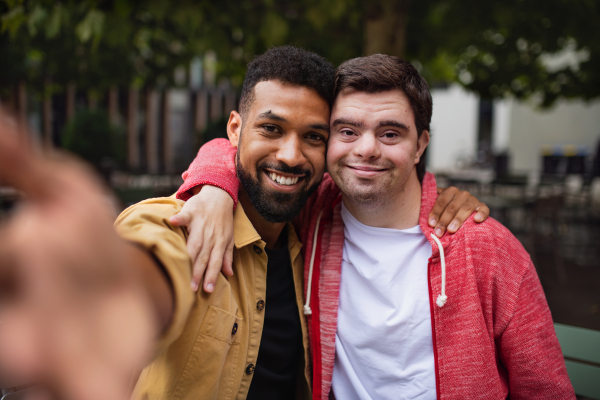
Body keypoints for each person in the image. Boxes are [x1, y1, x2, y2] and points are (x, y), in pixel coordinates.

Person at [0, 47, 483, 400]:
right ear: (234, 129)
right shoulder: (185, 223)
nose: (291, 155)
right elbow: (152, 264)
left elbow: (384, 181)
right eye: (270, 129)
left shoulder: (316, 232)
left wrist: (437, 198)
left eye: (314, 136)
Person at [174, 54, 575, 399]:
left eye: (390, 133)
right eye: (347, 131)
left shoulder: (485, 248)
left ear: (420, 145)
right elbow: (242, 149)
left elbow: (546, 390)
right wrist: (214, 189)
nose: (366, 149)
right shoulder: (311, 214)